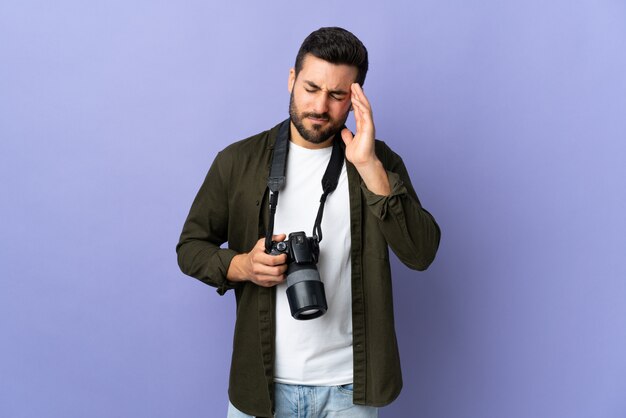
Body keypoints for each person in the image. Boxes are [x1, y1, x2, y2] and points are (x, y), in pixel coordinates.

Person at [176, 27, 440, 418]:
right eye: (311, 88)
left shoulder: (378, 163)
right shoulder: (237, 162)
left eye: (337, 95)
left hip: (351, 389)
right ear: (291, 80)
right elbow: (190, 248)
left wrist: (369, 167)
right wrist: (242, 266)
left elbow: (421, 253)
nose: (320, 106)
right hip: (261, 386)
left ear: (356, 99)